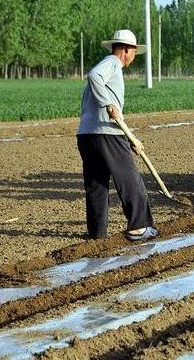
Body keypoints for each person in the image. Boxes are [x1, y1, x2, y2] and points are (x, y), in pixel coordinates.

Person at [76, 29, 158, 241]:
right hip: (106, 134)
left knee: (97, 184)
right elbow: (94, 76)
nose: (133, 57)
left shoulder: (110, 72)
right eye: (133, 52)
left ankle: (97, 235)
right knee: (130, 179)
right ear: (126, 50)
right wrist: (108, 103)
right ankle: (139, 227)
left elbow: (115, 115)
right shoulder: (112, 62)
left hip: (87, 134)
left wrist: (131, 139)